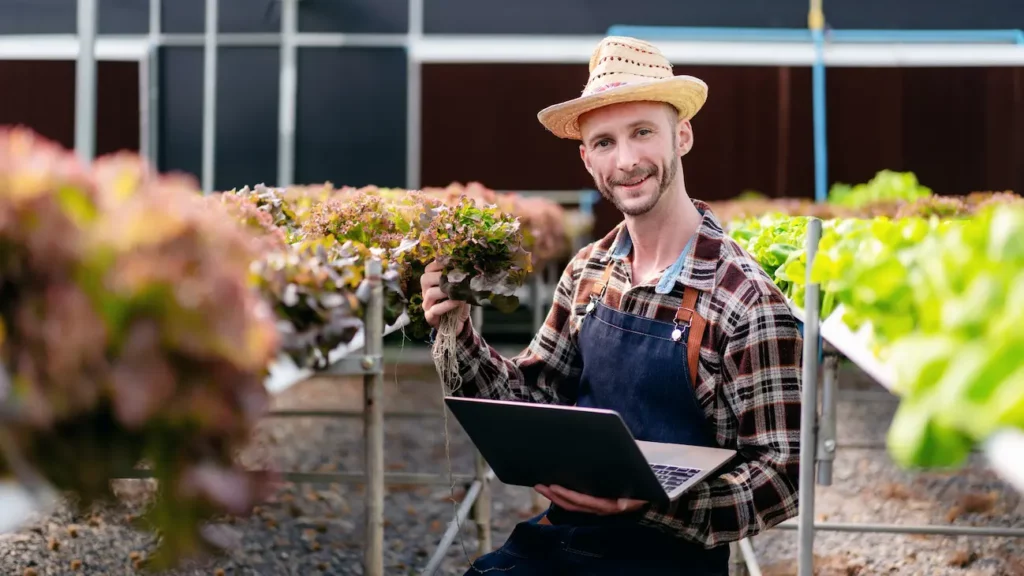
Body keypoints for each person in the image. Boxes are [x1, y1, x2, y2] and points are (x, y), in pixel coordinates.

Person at [421, 35, 803, 576]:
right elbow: (533, 396)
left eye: (642, 132)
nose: (625, 161)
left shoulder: (744, 298)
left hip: (671, 559)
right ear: (586, 157)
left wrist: (657, 503)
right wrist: (457, 331)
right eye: (604, 142)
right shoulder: (588, 272)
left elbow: (781, 475)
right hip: (563, 539)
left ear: (682, 136)